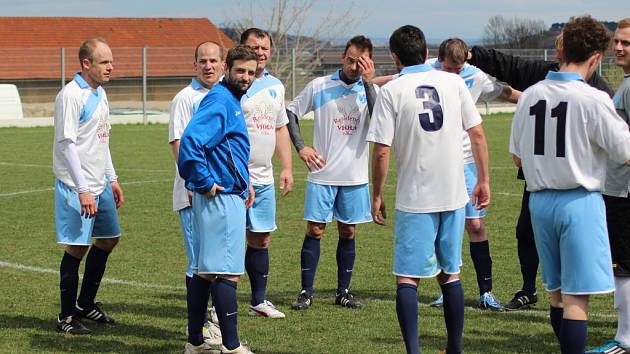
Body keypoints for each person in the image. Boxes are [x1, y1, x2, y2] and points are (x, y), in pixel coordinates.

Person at [467, 31, 616, 311]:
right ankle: (529, 289)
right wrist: (473, 54)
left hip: (578, 187)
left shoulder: (596, 90)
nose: (560, 54)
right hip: (540, 182)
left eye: (564, 49)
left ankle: (576, 297)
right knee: (525, 231)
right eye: (558, 49)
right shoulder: (540, 80)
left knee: (574, 257)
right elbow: (509, 64)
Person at [509, 16, 630, 353]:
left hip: (539, 203)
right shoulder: (593, 98)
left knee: (558, 294)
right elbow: (626, 152)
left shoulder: (531, 95)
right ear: (596, 58)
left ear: (561, 50)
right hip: (579, 202)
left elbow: (518, 157)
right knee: (577, 299)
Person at [368, 25, 490, 354]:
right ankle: (455, 348)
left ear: (394, 57)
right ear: (426, 53)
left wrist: (377, 194)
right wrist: (484, 179)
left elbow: (381, 150)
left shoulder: (392, 90)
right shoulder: (453, 82)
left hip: (415, 197)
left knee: (408, 277)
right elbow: (477, 133)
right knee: (450, 273)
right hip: (453, 194)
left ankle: (414, 350)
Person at [426, 38, 520, 311]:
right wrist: (370, 82)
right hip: (437, 164)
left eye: (458, 70)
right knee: (445, 227)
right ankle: (448, 288)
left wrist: (539, 96)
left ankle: (486, 292)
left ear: (464, 63)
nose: (453, 75)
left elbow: (505, 92)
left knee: (475, 225)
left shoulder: (476, 77)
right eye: (448, 69)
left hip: (465, 162)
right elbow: (398, 78)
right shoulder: (427, 71)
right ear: (439, 61)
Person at [286, 35, 377, 310]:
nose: (354, 66)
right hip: (322, 174)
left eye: (360, 62)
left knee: (348, 231)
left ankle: (343, 291)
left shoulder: (371, 90)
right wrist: (301, 147)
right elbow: (291, 113)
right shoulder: (320, 85)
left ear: (369, 62)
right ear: (342, 57)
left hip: (354, 176)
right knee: (315, 230)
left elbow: (381, 120)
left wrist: (369, 82)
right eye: (350, 60)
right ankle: (306, 292)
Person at [178, 44, 258, 354]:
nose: (246, 77)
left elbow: (226, 148)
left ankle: (196, 342)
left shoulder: (230, 100)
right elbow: (190, 142)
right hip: (220, 197)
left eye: (251, 72)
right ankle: (232, 346)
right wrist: (205, 181)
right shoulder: (222, 100)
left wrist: (244, 181)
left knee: (205, 271)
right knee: (227, 272)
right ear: (227, 68)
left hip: (227, 193)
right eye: (240, 71)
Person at [53, 38, 123, 334]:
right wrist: (82, 189)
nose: (111, 66)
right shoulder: (71, 95)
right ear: (86, 64)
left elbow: (101, 139)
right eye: (104, 62)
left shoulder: (100, 92)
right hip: (76, 185)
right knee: (77, 247)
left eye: (111, 61)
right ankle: (67, 317)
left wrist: (113, 177)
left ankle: (85, 304)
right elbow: (67, 145)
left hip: (101, 183)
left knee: (109, 239)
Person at [168, 41, 225, 345]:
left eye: (213, 60)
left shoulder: (224, 95)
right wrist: (192, 181)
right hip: (193, 193)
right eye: (202, 60)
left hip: (220, 194)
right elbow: (178, 145)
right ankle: (199, 327)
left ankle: (213, 318)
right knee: (198, 262)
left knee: (215, 260)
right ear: (194, 65)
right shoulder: (185, 99)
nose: (208, 66)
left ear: (222, 65)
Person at [239, 28, 293, 319]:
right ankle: (214, 302)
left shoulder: (276, 86)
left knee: (261, 239)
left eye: (264, 48)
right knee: (230, 239)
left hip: (264, 178)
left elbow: (280, 127)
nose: (260, 52)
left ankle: (258, 301)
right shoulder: (235, 84)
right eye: (253, 47)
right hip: (235, 180)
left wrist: (286, 167)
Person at [587, 17, 630, 354]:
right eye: (616, 41)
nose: (617, 47)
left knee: (624, 266)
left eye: (626, 43)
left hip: (623, 193)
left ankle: (624, 339)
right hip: (617, 190)